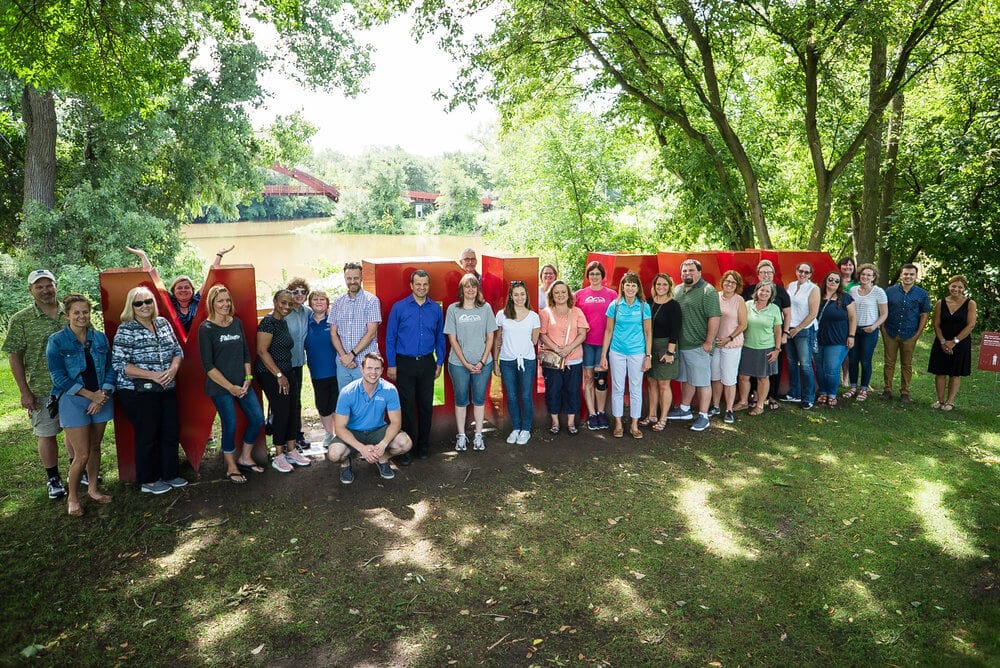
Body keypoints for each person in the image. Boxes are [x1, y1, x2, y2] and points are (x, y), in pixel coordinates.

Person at [112, 286, 189, 494]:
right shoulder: (126, 329)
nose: (144, 306)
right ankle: (149, 480)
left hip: (166, 387)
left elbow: (177, 351)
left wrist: (172, 370)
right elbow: (119, 364)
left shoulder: (162, 323)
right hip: (138, 391)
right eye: (139, 303)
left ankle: (170, 474)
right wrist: (153, 375)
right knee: (148, 435)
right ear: (132, 306)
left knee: (170, 431)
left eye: (148, 301)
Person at [3, 269, 70, 499]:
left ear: (56, 286)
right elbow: (14, 356)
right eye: (39, 286)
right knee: (46, 433)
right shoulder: (21, 319)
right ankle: (53, 478)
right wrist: (24, 392)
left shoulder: (70, 312)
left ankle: (77, 470)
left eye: (48, 285)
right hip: (42, 388)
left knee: (76, 430)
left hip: (73, 386)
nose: (45, 290)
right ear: (30, 290)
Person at [46, 294, 115, 515]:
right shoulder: (57, 341)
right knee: (82, 453)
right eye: (76, 312)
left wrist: (102, 393)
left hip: (101, 398)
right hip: (74, 400)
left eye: (85, 312)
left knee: (95, 448)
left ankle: (93, 490)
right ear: (68, 315)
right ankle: (72, 497)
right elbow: (59, 377)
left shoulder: (100, 338)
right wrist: (89, 395)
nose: (81, 316)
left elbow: (112, 368)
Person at [198, 284, 265, 484]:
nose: (225, 304)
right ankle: (231, 466)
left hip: (243, 384)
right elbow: (208, 366)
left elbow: (246, 353)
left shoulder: (236, 323)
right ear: (212, 303)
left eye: (227, 300)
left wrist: (247, 379)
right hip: (220, 388)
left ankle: (245, 456)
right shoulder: (206, 328)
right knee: (230, 425)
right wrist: (230, 387)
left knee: (257, 419)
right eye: (220, 301)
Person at [386, 270, 445, 462]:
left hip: (427, 362)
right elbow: (390, 338)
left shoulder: (435, 309)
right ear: (411, 285)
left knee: (426, 406)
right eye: (418, 284)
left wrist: (439, 361)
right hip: (405, 364)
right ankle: (407, 449)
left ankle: (424, 446)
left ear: (429, 286)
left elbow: (440, 338)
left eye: (425, 284)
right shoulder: (399, 308)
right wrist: (392, 364)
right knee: (407, 406)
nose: (421, 288)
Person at [326, 354, 412, 484]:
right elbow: (339, 428)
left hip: (377, 431)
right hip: (353, 432)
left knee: (405, 443)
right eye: (369, 368)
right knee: (334, 454)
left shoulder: (389, 390)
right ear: (362, 369)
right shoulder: (347, 392)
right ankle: (345, 463)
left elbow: (396, 423)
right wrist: (362, 448)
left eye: (377, 369)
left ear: (382, 370)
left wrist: (382, 445)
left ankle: (381, 457)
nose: (373, 372)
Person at [254, 290, 312, 473]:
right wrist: (279, 375)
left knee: (294, 410)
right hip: (272, 374)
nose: (286, 307)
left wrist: (285, 374)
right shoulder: (268, 322)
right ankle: (279, 455)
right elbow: (262, 352)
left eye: (289, 303)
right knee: (281, 412)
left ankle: (292, 450)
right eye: (282, 303)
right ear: (275, 301)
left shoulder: (282, 322)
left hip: (287, 370)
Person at [444, 273, 497, 451]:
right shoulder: (453, 309)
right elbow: (452, 339)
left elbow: (491, 337)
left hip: (483, 363)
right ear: (462, 289)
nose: (470, 290)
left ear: (477, 289)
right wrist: (466, 363)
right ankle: (461, 436)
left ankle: (478, 436)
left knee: (479, 399)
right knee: (461, 399)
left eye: (473, 286)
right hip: (459, 365)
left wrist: (482, 362)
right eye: (467, 286)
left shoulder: (486, 308)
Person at [668, 259, 721, 431]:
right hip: (681, 345)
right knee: (688, 379)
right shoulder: (677, 289)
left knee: (702, 382)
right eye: (684, 271)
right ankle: (684, 409)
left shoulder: (708, 291)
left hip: (699, 345)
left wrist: (708, 341)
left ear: (699, 272)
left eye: (691, 270)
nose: (687, 274)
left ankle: (704, 416)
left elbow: (714, 317)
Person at [126, 245, 231, 333]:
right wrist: (143, 256)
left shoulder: (198, 300)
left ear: (192, 290)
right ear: (173, 291)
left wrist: (219, 255)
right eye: (179, 288)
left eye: (187, 287)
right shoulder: (169, 302)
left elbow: (210, 278)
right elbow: (152, 281)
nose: (183, 290)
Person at [599, 272, 651, 438]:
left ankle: (634, 425)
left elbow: (648, 332)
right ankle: (619, 423)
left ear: (637, 288)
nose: (630, 288)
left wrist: (648, 356)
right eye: (627, 284)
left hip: (637, 352)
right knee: (618, 388)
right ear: (622, 286)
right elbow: (608, 331)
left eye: (633, 285)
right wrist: (603, 355)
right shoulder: (615, 305)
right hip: (617, 351)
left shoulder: (644, 306)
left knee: (636, 389)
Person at [494, 280, 541, 445]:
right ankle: (515, 427)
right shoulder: (502, 315)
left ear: (526, 295)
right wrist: (495, 361)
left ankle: (526, 429)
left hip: (527, 361)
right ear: (511, 297)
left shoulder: (534, 317)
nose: (519, 297)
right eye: (516, 294)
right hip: (507, 361)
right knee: (512, 396)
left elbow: (534, 341)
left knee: (526, 395)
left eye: (522, 294)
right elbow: (498, 339)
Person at [540, 281, 589, 434]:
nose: (560, 295)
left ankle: (571, 423)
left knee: (573, 390)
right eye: (556, 292)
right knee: (553, 390)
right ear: (552, 296)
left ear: (568, 294)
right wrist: (556, 349)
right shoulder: (545, 313)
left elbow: (582, 333)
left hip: (574, 358)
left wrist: (568, 348)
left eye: (563, 292)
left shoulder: (577, 312)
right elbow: (542, 334)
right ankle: (555, 422)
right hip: (553, 360)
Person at [741, 260, 790, 411]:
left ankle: (767, 399)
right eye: (763, 272)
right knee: (745, 375)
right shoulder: (748, 298)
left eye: (769, 272)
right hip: (748, 344)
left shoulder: (779, 295)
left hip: (767, 343)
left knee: (766, 374)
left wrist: (783, 336)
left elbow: (786, 316)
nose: (766, 275)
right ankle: (749, 397)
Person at [575, 261, 617, 430]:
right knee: (588, 378)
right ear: (588, 276)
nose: (594, 277)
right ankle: (592, 414)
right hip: (585, 343)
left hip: (604, 344)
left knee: (601, 380)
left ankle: (601, 412)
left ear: (602, 276)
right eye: (591, 274)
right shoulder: (579, 294)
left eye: (597, 274)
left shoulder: (612, 295)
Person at [881, 263, 931, 402]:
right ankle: (887, 390)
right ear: (901, 275)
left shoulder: (922, 294)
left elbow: (924, 314)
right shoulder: (890, 291)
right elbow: (883, 311)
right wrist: (883, 329)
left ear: (916, 276)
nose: (908, 276)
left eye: (911, 274)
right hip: (890, 332)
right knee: (889, 362)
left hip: (909, 334)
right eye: (906, 274)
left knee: (907, 364)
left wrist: (917, 335)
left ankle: (905, 392)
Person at [328, 261, 382, 390]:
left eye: (356, 278)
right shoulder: (338, 302)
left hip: (366, 363)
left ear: (361, 278)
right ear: (345, 279)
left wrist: (351, 355)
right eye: (349, 278)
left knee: (368, 401)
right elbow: (333, 333)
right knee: (346, 401)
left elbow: (370, 334)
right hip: (343, 364)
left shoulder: (372, 301)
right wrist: (344, 357)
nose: (352, 281)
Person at [928, 275, 977, 411]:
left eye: (960, 287)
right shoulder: (940, 303)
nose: (956, 289)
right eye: (953, 286)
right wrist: (943, 341)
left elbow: (971, 325)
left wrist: (954, 342)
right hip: (942, 341)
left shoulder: (970, 303)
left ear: (964, 289)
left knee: (955, 373)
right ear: (949, 286)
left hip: (960, 342)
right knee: (940, 371)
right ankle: (940, 400)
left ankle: (950, 402)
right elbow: (936, 324)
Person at [641, 273, 680, 432]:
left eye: (664, 284)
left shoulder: (674, 305)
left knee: (664, 383)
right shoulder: (649, 303)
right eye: (658, 284)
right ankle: (652, 415)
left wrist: (670, 353)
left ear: (669, 287)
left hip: (665, 346)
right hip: (649, 347)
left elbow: (675, 331)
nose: (661, 287)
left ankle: (663, 417)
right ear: (654, 286)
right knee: (651, 381)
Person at [737, 284, 783, 416]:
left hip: (766, 348)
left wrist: (777, 349)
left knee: (763, 378)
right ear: (756, 291)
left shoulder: (774, 309)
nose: (764, 293)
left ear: (771, 294)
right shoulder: (747, 305)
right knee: (743, 376)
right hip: (747, 346)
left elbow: (778, 331)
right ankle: (743, 402)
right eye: (761, 290)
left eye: (767, 291)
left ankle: (760, 405)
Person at [844, 263, 888, 402]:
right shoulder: (853, 291)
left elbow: (884, 314)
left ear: (873, 277)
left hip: (869, 330)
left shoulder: (878, 292)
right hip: (854, 330)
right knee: (853, 360)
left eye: (869, 275)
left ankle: (863, 389)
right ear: (859, 275)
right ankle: (853, 387)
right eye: (863, 274)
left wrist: (874, 326)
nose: (865, 277)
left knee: (865, 360)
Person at [781, 262, 820, 409]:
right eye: (800, 271)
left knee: (805, 364)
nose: (803, 274)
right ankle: (794, 393)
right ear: (796, 271)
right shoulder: (791, 285)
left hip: (804, 330)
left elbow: (813, 314)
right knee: (791, 362)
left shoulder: (813, 289)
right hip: (789, 328)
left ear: (810, 274)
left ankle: (808, 397)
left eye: (806, 272)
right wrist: (787, 328)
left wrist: (797, 329)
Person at [304, 289, 339, 451]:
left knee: (338, 404)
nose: (319, 302)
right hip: (317, 372)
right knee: (323, 404)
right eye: (315, 299)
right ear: (310, 303)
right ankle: (328, 434)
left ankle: (341, 434)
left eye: (322, 299)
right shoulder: (306, 321)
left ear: (327, 303)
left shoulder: (333, 321)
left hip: (337, 370)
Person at [814, 272, 857, 407]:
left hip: (838, 340)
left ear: (839, 284)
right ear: (826, 280)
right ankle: (823, 392)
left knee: (831, 368)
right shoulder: (817, 297)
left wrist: (851, 335)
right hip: (818, 339)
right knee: (820, 367)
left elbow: (853, 318)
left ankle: (832, 394)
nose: (833, 282)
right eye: (830, 279)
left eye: (836, 281)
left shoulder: (846, 298)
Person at [710, 271, 747, 424]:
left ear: (737, 285)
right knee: (715, 376)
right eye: (727, 281)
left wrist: (729, 338)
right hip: (715, 343)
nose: (729, 284)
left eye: (733, 282)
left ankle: (729, 410)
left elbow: (743, 324)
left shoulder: (739, 300)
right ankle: (716, 405)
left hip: (731, 344)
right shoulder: (715, 297)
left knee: (729, 378)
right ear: (723, 282)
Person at [284, 277, 311, 452]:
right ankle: (287, 439)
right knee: (286, 402)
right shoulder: (284, 312)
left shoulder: (307, 312)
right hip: (284, 364)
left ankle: (296, 434)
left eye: (303, 292)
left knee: (297, 401)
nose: (299, 295)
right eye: (296, 292)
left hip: (299, 363)